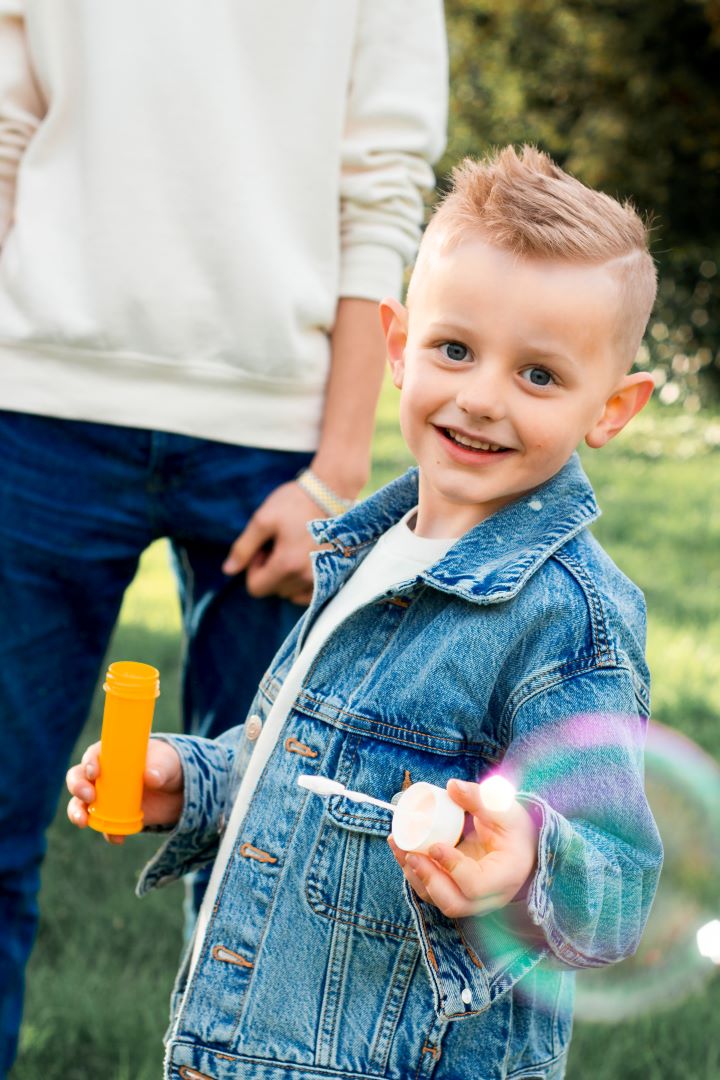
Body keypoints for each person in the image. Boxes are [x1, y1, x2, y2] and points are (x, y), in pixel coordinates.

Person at [67, 146, 663, 1080]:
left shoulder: (567, 619)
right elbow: (298, 766)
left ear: (613, 407)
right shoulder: (363, 551)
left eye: (539, 376)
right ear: (398, 346)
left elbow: (618, 885)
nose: (479, 397)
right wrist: (193, 780)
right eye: (454, 349)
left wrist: (524, 865)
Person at [0, 0, 448, 1072]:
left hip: (277, 448)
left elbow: (381, 188)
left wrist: (337, 471)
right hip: (35, 416)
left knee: (270, 848)